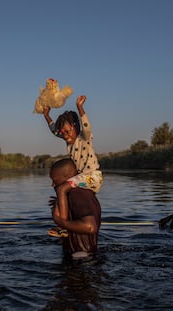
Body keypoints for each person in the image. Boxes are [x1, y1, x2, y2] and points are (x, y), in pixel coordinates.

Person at [43, 95, 103, 237]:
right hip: (81, 177)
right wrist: (46, 115)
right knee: (60, 194)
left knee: (62, 188)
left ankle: (62, 226)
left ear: (75, 126)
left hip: (92, 176)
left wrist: (80, 108)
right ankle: (64, 221)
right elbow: (54, 130)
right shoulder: (68, 141)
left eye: (68, 131)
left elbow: (86, 127)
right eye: (62, 133)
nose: (65, 135)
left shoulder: (84, 138)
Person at [49, 158, 101, 258]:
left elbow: (90, 227)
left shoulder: (78, 194)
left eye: (54, 180)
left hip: (81, 260)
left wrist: (58, 220)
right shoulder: (75, 195)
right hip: (82, 256)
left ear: (69, 177)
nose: (53, 184)